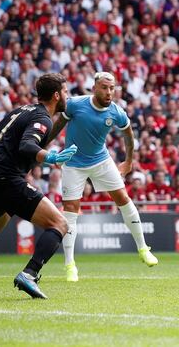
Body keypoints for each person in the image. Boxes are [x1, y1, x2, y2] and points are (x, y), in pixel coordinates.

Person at [0, 73, 77, 299]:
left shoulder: (22, 110)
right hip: (5, 177)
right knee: (60, 223)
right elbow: (27, 145)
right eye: (66, 92)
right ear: (57, 95)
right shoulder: (43, 118)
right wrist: (50, 158)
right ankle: (30, 274)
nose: (68, 96)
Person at [47, 72, 158, 282]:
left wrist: (129, 161)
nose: (109, 92)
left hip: (101, 161)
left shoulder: (117, 112)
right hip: (73, 163)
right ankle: (70, 265)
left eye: (112, 88)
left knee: (124, 199)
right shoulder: (75, 105)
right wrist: (42, 145)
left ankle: (143, 249)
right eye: (105, 87)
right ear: (94, 88)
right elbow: (57, 126)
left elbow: (129, 134)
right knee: (70, 212)